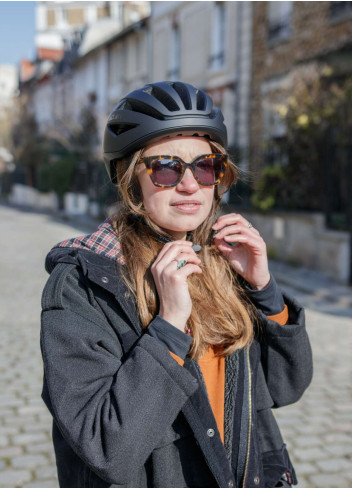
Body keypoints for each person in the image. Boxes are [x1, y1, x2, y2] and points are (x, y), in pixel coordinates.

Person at [40, 81, 313, 488]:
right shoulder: (83, 285)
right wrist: (168, 328)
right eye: (166, 167)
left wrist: (264, 290)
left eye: (206, 166)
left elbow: (284, 386)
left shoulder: (220, 262)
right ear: (132, 179)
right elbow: (106, 448)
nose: (190, 185)